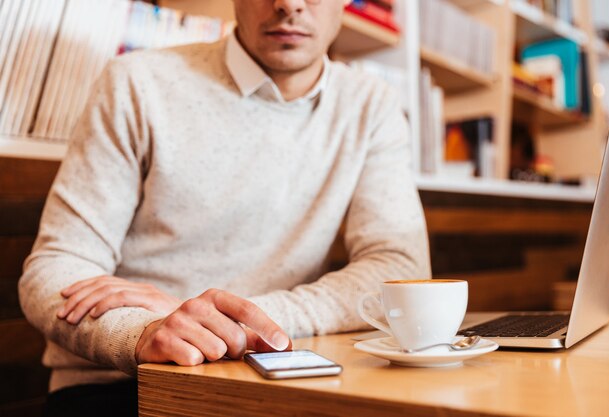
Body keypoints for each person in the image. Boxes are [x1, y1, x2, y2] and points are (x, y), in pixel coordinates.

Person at [19, 0, 431, 415]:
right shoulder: (136, 81)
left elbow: (399, 268)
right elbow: (54, 268)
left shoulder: (371, 104)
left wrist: (227, 319)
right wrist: (143, 331)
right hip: (123, 383)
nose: (289, 4)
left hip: (275, 371)